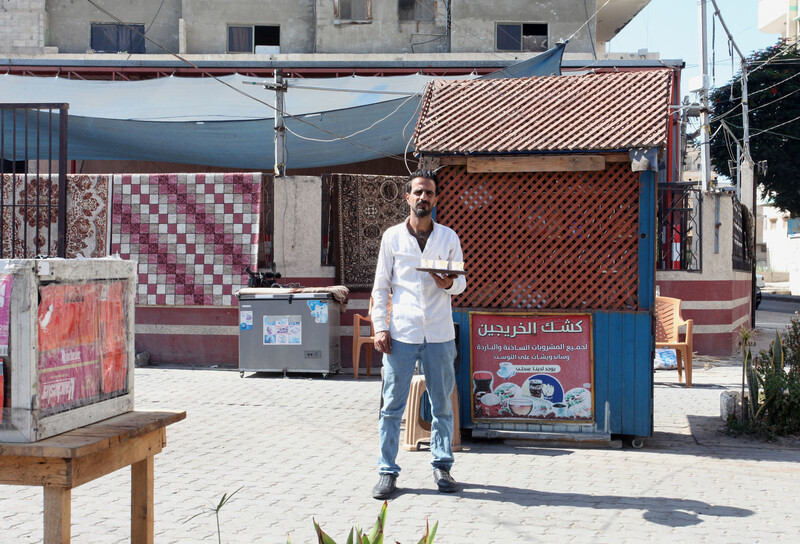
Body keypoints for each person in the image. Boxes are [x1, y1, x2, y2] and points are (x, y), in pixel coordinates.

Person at [370, 169, 467, 500]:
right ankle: (387, 472)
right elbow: (381, 286)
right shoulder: (393, 238)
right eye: (418, 193)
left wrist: (448, 283)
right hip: (402, 332)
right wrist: (379, 327)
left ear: (436, 200)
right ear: (408, 197)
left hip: (439, 332)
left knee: (441, 405)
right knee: (391, 407)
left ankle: (442, 466)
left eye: (429, 193)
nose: (424, 198)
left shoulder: (448, 237)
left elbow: (461, 281)